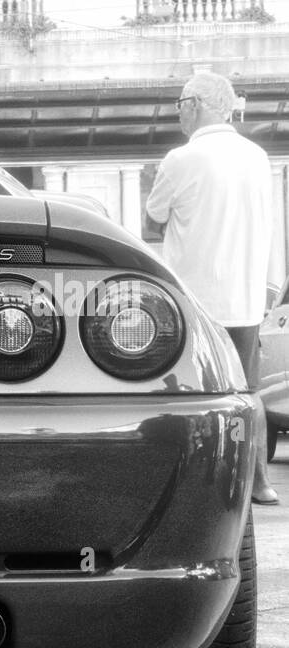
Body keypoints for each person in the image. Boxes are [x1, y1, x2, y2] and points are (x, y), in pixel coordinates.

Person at [145, 72, 279, 504]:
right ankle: (259, 483)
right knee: (247, 393)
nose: (178, 111)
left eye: (180, 102)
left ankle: (194, 485)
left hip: (196, 303)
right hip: (245, 299)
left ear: (197, 104)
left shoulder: (181, 159)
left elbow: (153, 219)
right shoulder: (258, 157)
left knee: (189, 394)